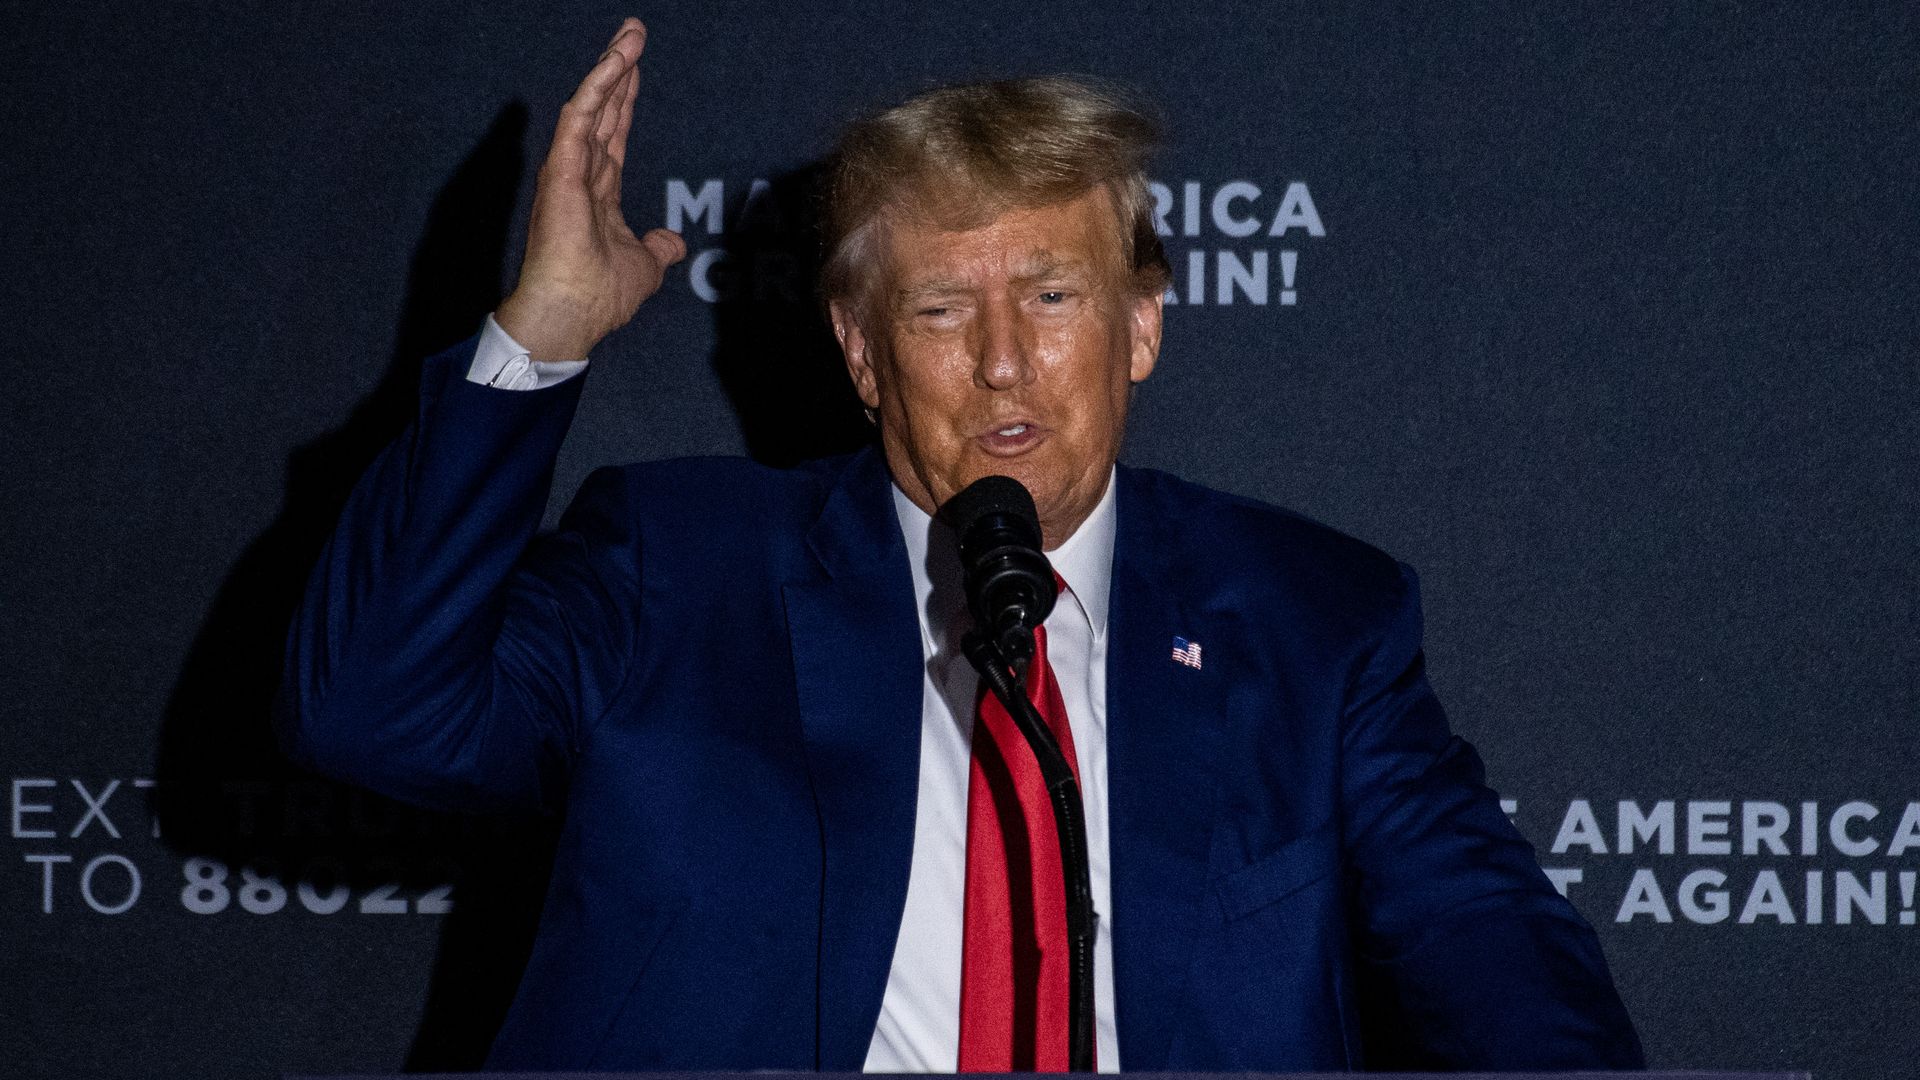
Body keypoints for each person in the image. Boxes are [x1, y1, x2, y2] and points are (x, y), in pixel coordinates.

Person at [278, 17, 1644, 1072]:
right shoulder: (677, 571)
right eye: (939, 311)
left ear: (1144, 325)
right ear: (862, 354)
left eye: (1053, 296)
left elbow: (1493, 953)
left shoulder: (1312, 621)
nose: (1003, 365)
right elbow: (373, 717)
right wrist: (545, 336)